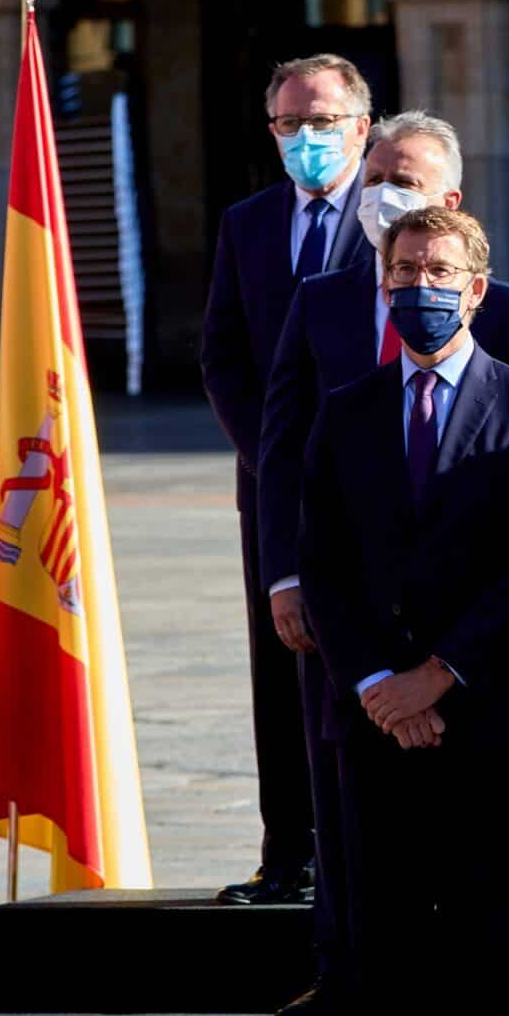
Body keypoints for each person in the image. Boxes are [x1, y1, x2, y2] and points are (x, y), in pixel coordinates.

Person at [253, 110, 509, 1016]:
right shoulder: (348, 401)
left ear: (474, 288)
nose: (417, 285)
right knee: (374, 902)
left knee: (487, 917)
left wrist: (439, 674)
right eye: (404, 274)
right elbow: (320, 535)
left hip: (481, 686)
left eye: (437, 273)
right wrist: (382, 676)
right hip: (370, 688)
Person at [200, 53, 373, 908]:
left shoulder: (393, 222)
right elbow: (223, 355)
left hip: (376, 486)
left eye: (324, 121)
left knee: (365, 657)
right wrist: (277, 461)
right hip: (274, 488)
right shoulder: (248, 222)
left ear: (361, 126)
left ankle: (364, 844)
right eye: (290, 124)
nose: (307, 138)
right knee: (282, 667)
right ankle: (289, 852)